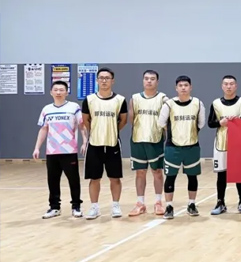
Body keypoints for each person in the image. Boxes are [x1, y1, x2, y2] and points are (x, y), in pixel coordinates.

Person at [33, 81, 86, 219]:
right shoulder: (46, 109)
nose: (58, 92)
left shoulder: (74, 107)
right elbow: (43, 129)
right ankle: (54, 207)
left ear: (66, 92)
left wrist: (85, 141)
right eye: (55, 90)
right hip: (52, 152)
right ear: (51, 92)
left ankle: (76, 206)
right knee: (53, 180)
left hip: (69, 151)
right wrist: (37, 147)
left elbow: (82, 126)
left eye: (61, 90)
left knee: (73, 180)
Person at [81, 68, 128, 220]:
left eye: (107, 78)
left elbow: (123, 120)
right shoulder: (89, 100)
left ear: (112, 81)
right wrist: (97, 131)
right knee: (94, 178)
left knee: (115, 177)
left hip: (113, 143)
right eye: (101, 78)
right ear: (97, 80)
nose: (104, 80)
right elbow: (86, 120)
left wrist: (111, 130)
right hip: (94, 144)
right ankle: (94, 207)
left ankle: (115, 205)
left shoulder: (120, 100)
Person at [157, 75, 206, 219]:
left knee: (192, 176)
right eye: (180, 85)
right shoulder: (169, 104)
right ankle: (169, 206)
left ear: (190, 87)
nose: (183, 88)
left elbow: (201, 123)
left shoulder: (197, 103)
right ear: (176, 88)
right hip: (173, 147)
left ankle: (192, 204)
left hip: (192, 146)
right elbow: (161, 123)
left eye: (186, 85)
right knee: (170, 177)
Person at [208, 75, 241, 216]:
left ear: (236, 86)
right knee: (221, 174)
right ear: (222, 86)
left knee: (239, 174)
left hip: (239, 144)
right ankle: (220, 202)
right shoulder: (215, 103)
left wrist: (239, 121)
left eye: (231, 84)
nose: (228, 86)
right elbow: (210, 123)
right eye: (226, 84)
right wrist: (220, 123)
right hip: (221, 144)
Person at [127, 70, 168, 217]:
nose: (149, 81)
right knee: (140, 172)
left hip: (155, 139)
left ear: (157, 81)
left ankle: (158, 202)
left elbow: (166, 121)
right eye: (146, 78)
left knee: (157, 172)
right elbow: (131, 120)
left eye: (152, 79)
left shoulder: (163, 99)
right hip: (138, 139)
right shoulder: (134, 98)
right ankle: (140, 203)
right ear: (143, 80)